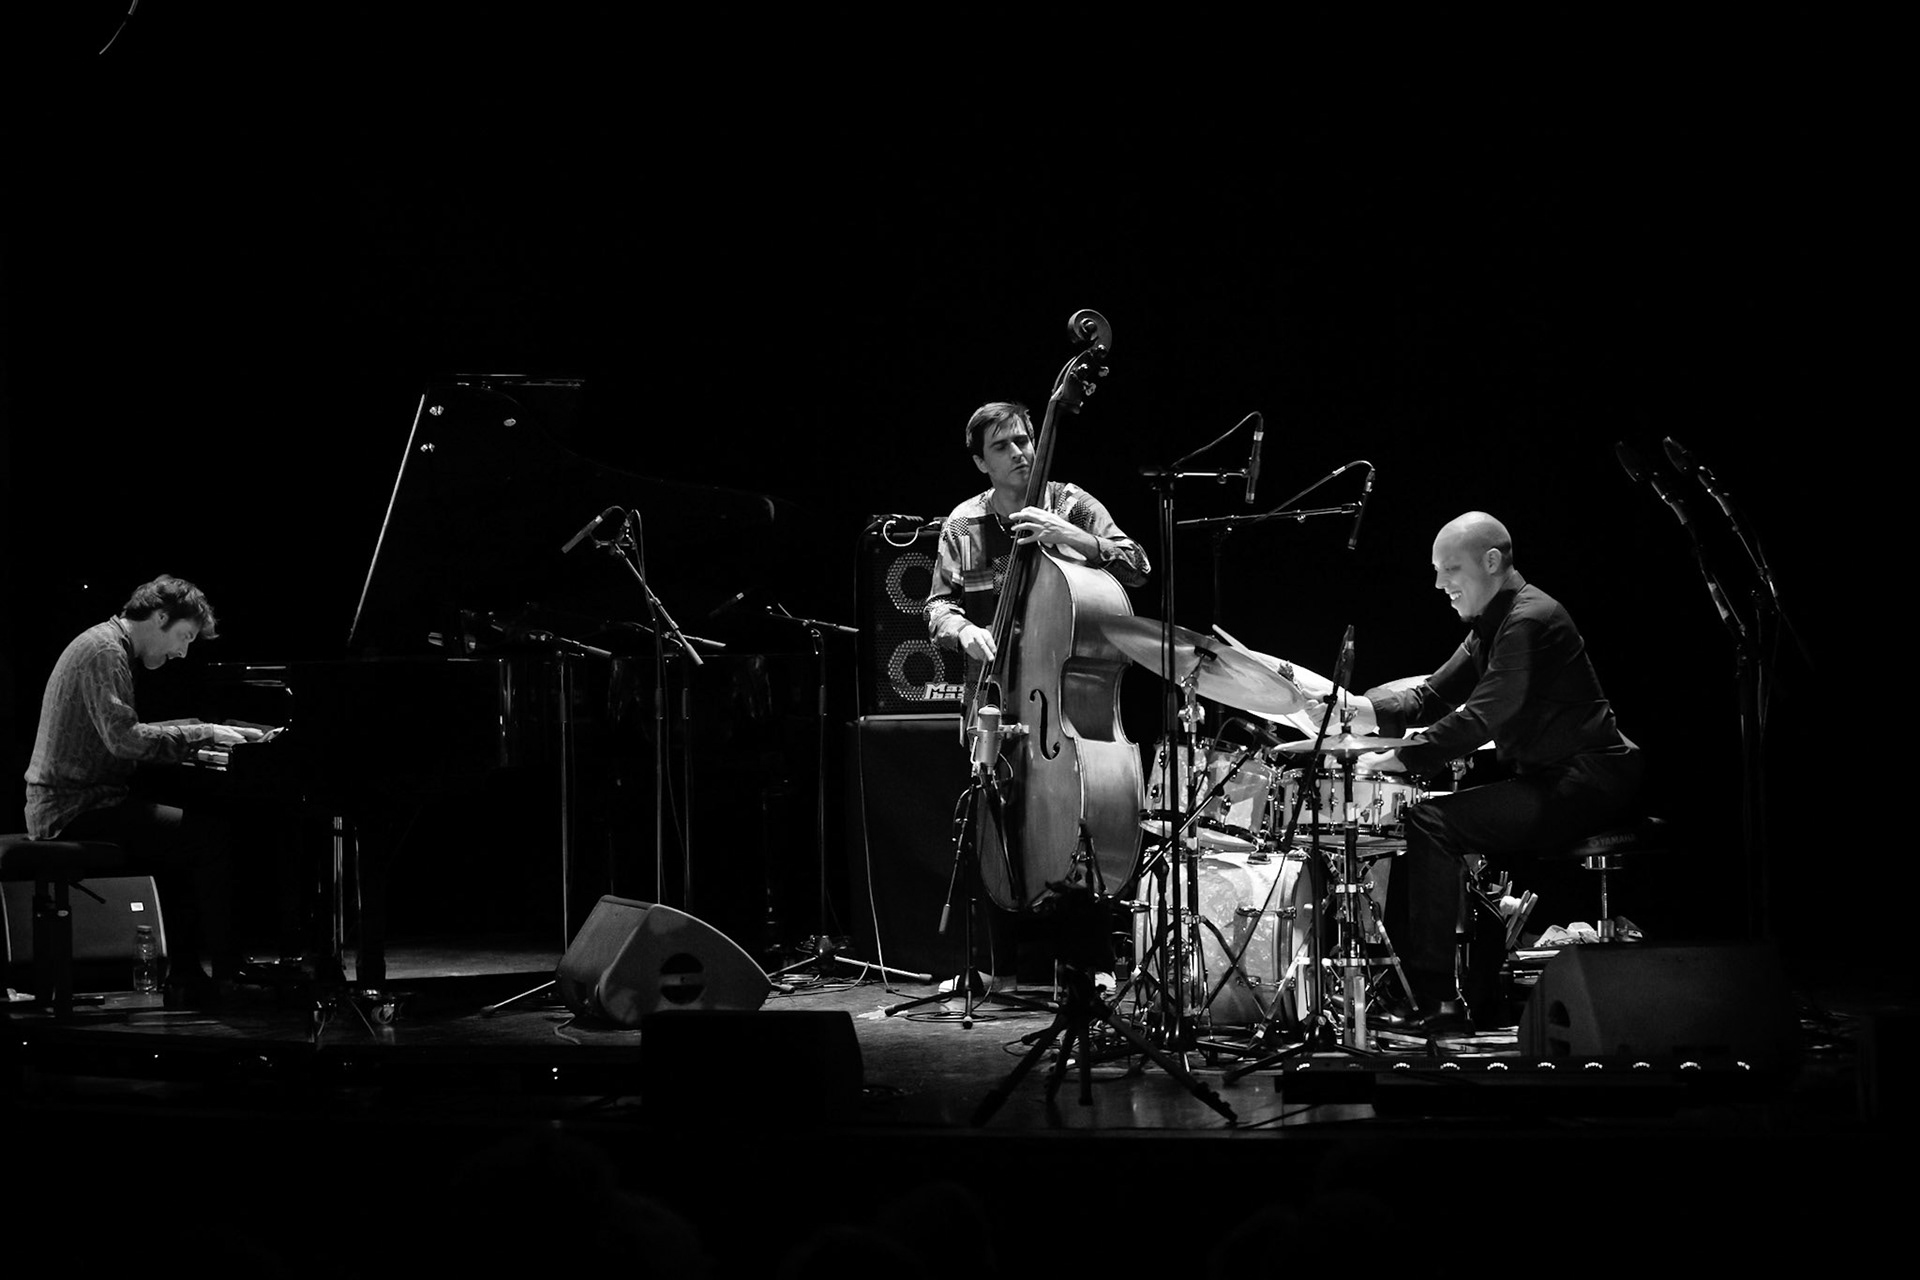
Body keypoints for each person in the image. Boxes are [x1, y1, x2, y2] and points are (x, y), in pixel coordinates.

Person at [1302, 511, 1642, 1031]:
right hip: (1556, 777)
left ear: (1491, 562)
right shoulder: (1494, 625)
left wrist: (1401, 756)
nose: (1440, 584)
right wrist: (1351, 709)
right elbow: (1432, 697)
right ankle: (1424, 989)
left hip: (1589, 779)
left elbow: (1484, 714)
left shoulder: (1529, 619)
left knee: (1432, 824)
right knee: (1428, 820)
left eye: (1450, 569)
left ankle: (1437, 1000)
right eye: (1436, 571)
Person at [925, 401, 1150, 986]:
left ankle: (1086, 962)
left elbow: (1137, 565)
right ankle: (1001, 972)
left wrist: (1071, 537)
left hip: (1061, 711)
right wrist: (965, 630)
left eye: (1024, 440)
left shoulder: (1071, 504)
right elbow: (937, 608)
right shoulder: (962, 526)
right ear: (980, 461)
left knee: (1076, 821)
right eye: (1002, 447)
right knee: (996, 825)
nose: (1021, 452)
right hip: (993, 705)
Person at [23, 574, 265, 1005]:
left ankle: (187, 976)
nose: (181, 651)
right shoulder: (103, 652)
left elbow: (121, 733)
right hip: (70, 808)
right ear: (159, 616)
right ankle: (227, 975)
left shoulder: (105, 645)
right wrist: (205, 731)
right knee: (206, 837)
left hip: (79, 800)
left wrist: (195, 731)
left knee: (183, 840)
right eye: (183, 636)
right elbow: (126, 741)